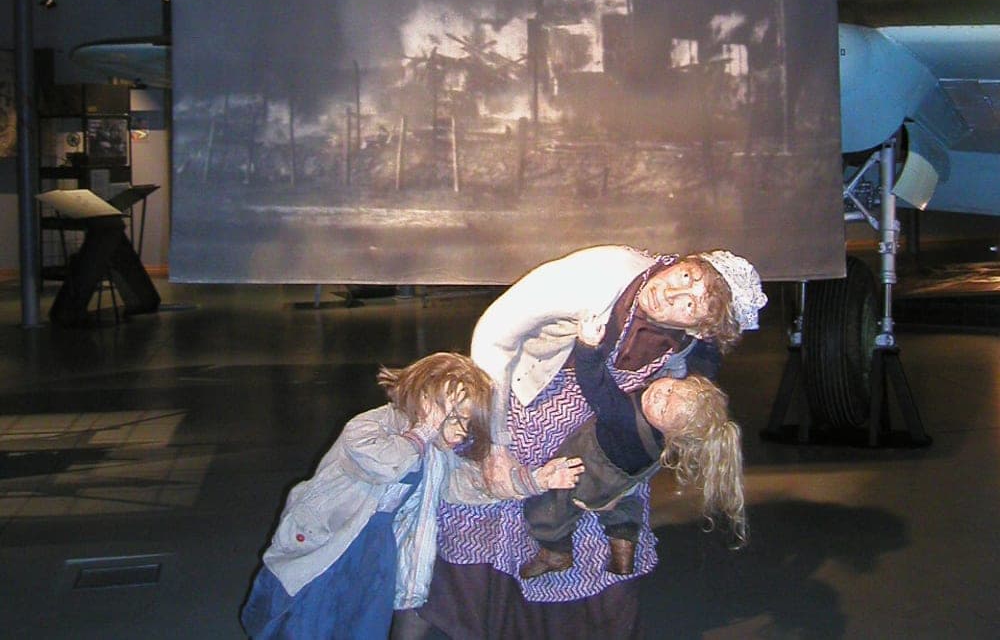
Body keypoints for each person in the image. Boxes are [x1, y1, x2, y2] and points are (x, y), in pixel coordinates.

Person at [420, 244, 766, 638]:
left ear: (699, 328)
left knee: (594, 530)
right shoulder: (599, 275)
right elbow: (495, 335)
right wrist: (495, 444)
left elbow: (691, 374)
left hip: (605, 440)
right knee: (512, 512)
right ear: (682, 262)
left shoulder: (691, 342)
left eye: (689, 305)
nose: (671, 294)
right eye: (686, 276)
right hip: (530, 408)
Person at [240, 352, 584, 639]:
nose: (460, 432)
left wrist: (533, 481)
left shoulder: (436, 451)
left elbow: (467, 484)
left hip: (375, 552)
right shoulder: (369, 427)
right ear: (424, 401)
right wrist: (425, 430)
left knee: (359, 621)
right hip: (330, 543)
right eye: (453, 418)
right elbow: (385, 464)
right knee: (308, 619)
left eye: (467, 423)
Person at [519, 313, 746, 581]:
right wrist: (707, 340)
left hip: (593, 466)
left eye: (663, 408)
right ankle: (623, 546)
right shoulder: (684, 423)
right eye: (671, 389)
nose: (660, 395)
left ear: (673, 432)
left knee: (553, 500)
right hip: (630, 472)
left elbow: (595, 385)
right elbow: (704, 368)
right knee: (624, 500)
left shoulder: (625, 418)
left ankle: (556, 551)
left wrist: (588, 347)